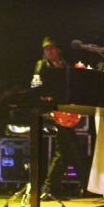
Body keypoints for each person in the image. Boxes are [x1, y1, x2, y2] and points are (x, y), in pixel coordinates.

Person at [35, 36, 89, 197]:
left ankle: (50, 189)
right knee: (70, 148)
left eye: (51, 48)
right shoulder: (42, 65)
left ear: (58, 50)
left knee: (66, 151)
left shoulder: (66, 65)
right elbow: (37, 86)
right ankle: (85, 186)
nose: (49, 51)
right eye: (46, 49)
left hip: (65, 111)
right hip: (51, 111)